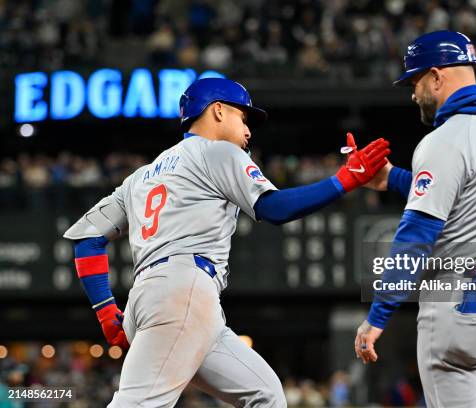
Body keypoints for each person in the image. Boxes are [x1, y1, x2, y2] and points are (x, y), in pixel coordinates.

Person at [63, 77, 390, 407]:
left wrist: (106, 310)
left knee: (266, 395)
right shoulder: (217, 152)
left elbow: (87, 238)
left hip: (162, 297)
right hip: (182, 290)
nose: (248, 130)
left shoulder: (140, 177)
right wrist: (344, 180)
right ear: (218, 111)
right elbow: (274, 208)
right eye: (242, 117)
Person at [354, 31, 476, 407]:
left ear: (438, 76)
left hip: (462, 304)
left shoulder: (445, 139)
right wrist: (392, 177)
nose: (413, 92)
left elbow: (415, 237)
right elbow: (466, 194)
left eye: (416, 80)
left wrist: (377, 316)